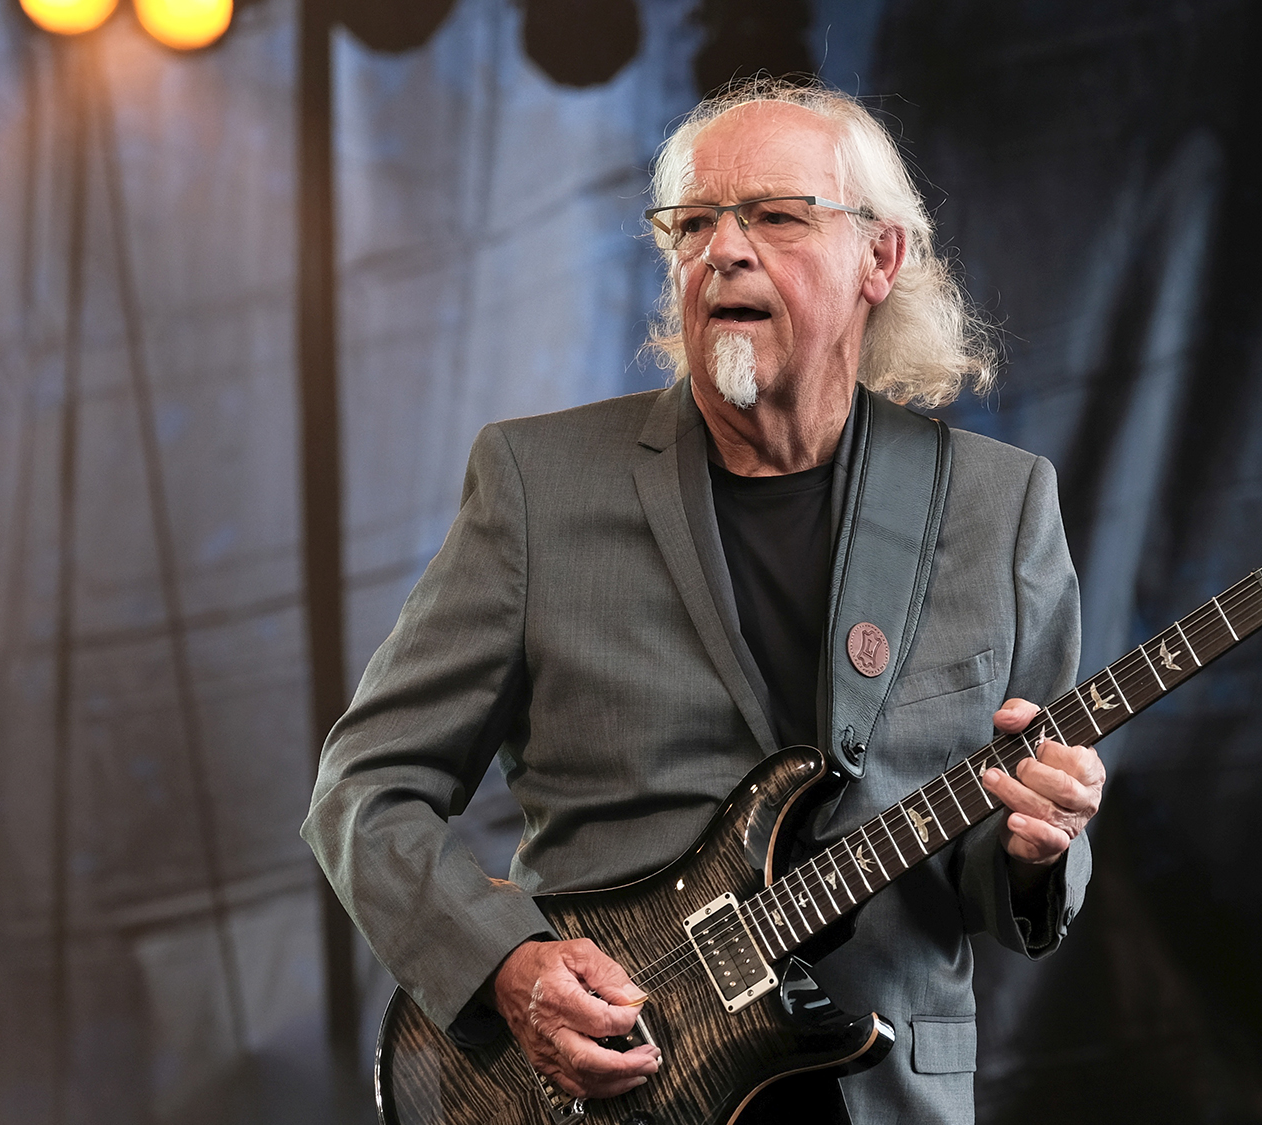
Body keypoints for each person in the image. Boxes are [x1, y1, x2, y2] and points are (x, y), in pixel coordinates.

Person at [303, 79, 1105, 1123]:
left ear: (880, 259)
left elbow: (1000, 886)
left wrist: (1040, 845)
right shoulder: (537, 485)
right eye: (691, 224)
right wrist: (505, 965)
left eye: (773, 216)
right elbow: (362, 792)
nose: (720, 250)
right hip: (602, 1094)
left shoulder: (1000, 509)